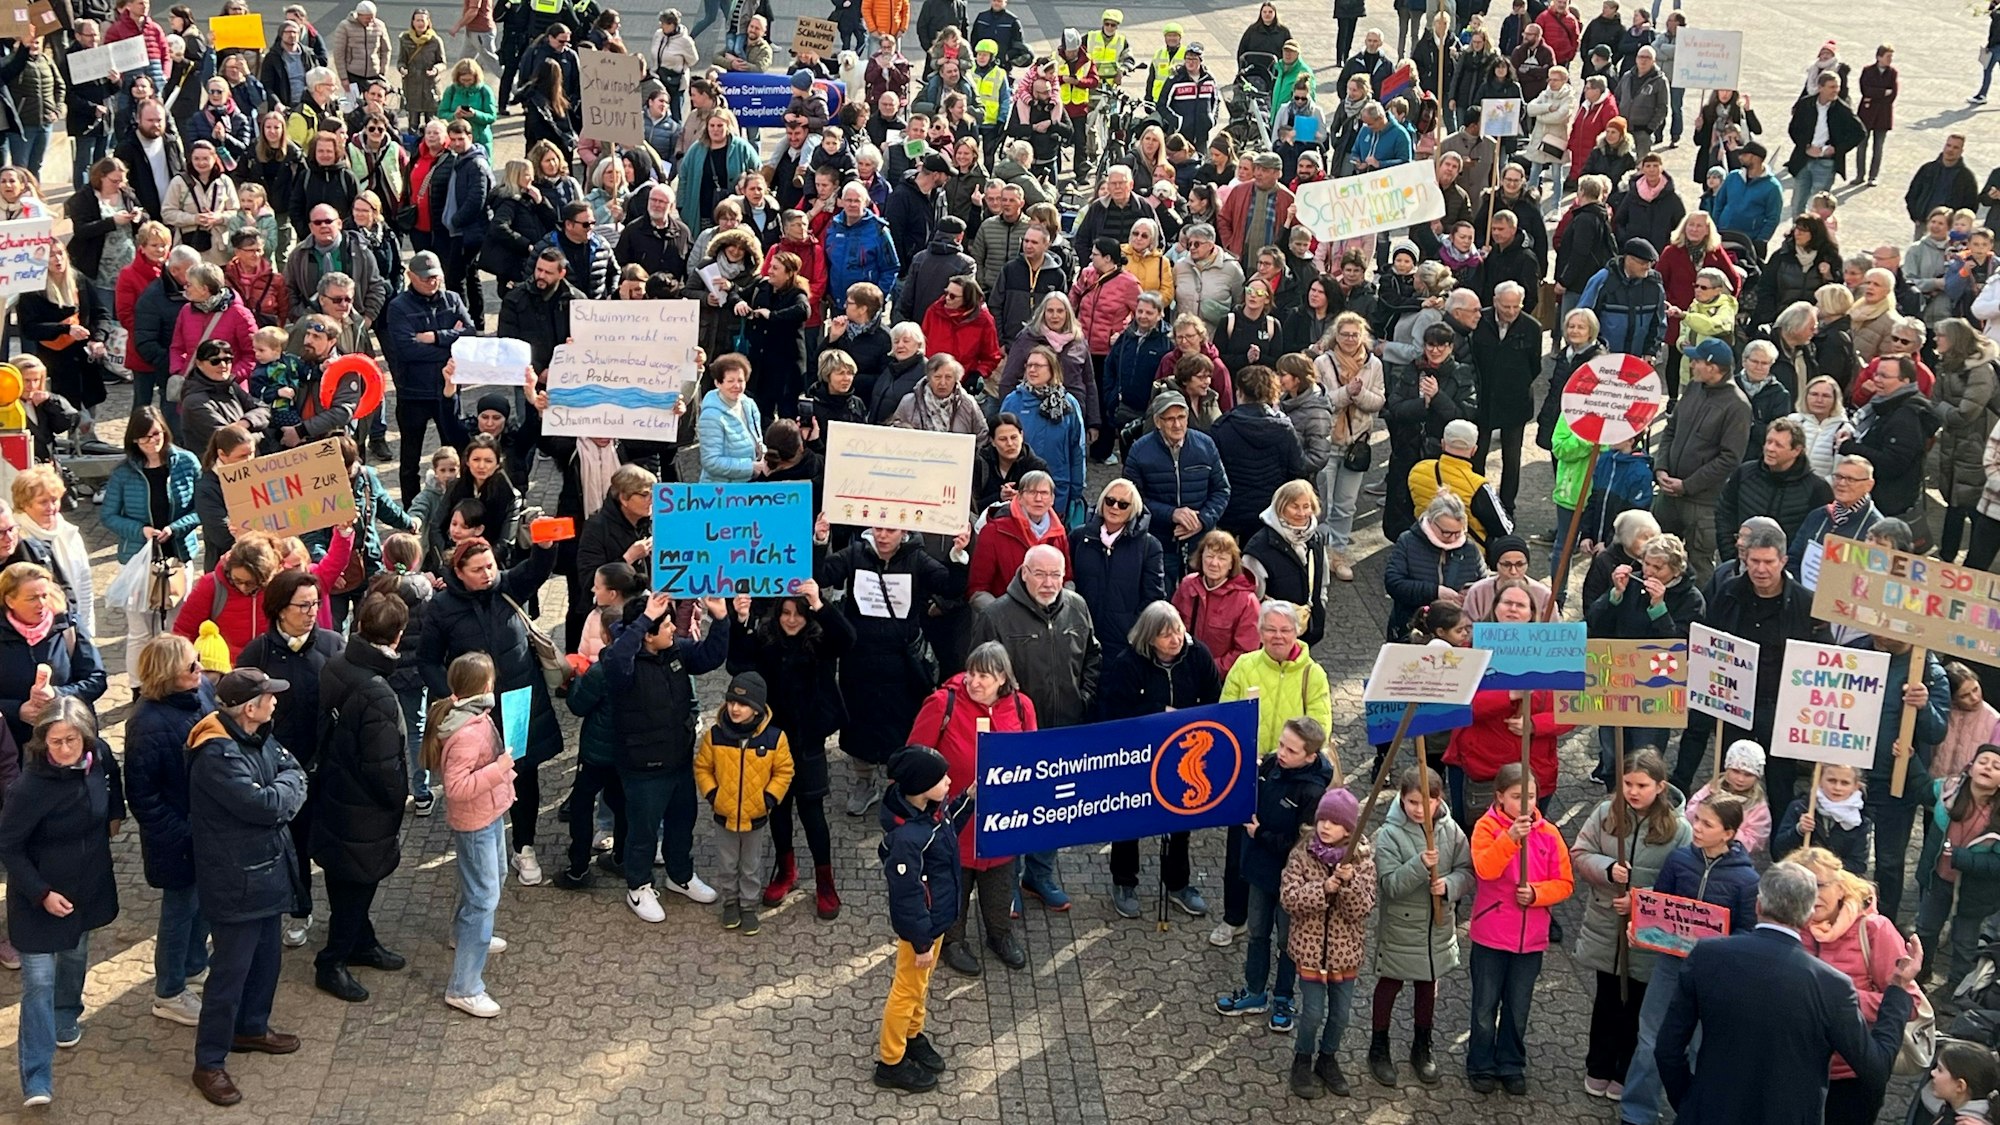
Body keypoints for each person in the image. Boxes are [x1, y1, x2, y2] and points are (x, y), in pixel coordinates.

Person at [1654, 861, 1920, 1125]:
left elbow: (1668, 1049)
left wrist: (1689, 1102)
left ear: (1758, 905)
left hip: (1709, 1112)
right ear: (1806, 916)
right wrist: (1897, 989)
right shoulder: (1832, 986)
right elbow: (1875, 1068)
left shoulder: (1707, 955)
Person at [186, 669, 310, 1107]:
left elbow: (291, 771)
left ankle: (251, 1028)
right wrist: (285, 791)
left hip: (267, 872)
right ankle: (209, 1062)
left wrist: (284, 788)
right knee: (229, 976)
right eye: (268, 697)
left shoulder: (257, 735)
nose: (275, 702)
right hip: (235, 881)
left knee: (266, 961)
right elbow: (266, 804)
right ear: (248, 708)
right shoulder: (217, 755)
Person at [1617, 791, 1764, 1125]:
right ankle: (1637, 1111)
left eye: (1707, 824)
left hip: (1714, 977)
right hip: (1671, 967)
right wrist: (1641, 929)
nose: (1696, 828)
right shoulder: (1679, 860)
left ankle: (1692, 1112)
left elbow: (1747, 932)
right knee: (1650, 1038)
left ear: (1729, 833)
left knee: (1700, 1048)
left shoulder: (1747, 880)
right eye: (1698, 820)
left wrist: (1718, 947)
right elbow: (1659, 903)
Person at [419, 537, 560, 887]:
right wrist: (452, 696)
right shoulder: (441, 607)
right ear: (459, 573)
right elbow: (427, 660)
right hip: (474, 714)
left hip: (518, 700)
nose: (487, 574)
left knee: (524, 774)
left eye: (491, 566)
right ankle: (486, 847)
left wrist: (543, 544)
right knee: (481, 779)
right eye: (478, 569)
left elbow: (541, 568)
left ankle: (523, 846)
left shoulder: (508, 585)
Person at [968, 543, 1100, 910]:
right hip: (1016, 736)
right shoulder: (996, 616)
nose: (1048, 582)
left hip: (1065, 731)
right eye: (1039, 574)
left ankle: (1039, 876)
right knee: (1013, 811)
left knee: (1054, 809)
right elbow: (978, 676)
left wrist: (1084, 698)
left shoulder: (1077, 607)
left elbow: (1093, 655)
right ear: (1024, 573)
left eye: (1055, 574)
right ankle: (1005, 884)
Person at [1571, 749, 1692, 1100]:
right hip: (1607, 928)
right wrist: (1608, 870)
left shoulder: (1679, 830)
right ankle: (1599, 1066)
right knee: (1607, 1000)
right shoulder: (1605, 813)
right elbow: (1580, 853)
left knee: (1638, 1006)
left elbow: (1680, 882)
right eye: (1627, 783)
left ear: (1660, 786)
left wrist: (1640, 899)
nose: (1633, 791)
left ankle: (1626, 1071)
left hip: (1647, 937)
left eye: (1642, 785)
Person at [307, 593, 408, 1004]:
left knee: (344, 879)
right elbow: (385, 766)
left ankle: (362, 942)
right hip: (363, 810)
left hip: (335, 793)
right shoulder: (378, 693)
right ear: (397, 637)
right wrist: (398, 797)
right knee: (358, 884)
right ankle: (332, 961)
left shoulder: (338, 662)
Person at [1215, 716, 1334, 1033]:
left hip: (1291, 879)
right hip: (1259, 871)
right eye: (1281, 744)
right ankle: (1255, 992)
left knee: (1287, 941)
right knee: (1256, 932)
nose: (1280, 753)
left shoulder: (1313, 792)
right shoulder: (1270, 765)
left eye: (1290, 750)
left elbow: (1301, 843)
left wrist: (1260, 834)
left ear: (1310, 756)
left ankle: (1283, 998)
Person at [1465, 760, 1574, 1096]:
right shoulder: (1485, 828)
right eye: (1516, 796)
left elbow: (1566, 883)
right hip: (1491, 935)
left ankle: (1511, 1063)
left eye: (1530, 796)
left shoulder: (1550, 834)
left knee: (1518, 1006)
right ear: (1499, 797)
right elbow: (1484, 869)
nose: (1525, 804)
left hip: (1531, 939)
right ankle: (1480, 1063)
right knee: (1485, 1007)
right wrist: (1510, 839)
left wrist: (1539, 894)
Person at [123, 635, 214, 1028]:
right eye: (191, 667)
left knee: (203, 903)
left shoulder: (200, 691)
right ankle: (169, 991)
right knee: (179, 911)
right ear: (166, 675)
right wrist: (184, 831)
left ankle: (194, 965)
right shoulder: (146, 723)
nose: (200, 671)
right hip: (178, 838)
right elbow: (142, 797)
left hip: (207, 827)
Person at [872, 744, 966, 1093]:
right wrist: (922, 941)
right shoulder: (907, 839)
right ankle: (891, 1062)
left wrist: (965, 801)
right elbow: (906, 897)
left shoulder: (929, 811)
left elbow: (948, 827)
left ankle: (912, 1034)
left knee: (919, 987)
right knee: (906, 991)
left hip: (935, 922)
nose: (949, 781)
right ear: (919, 786)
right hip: (921, 930)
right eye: (942, 778)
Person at [1277, 786, 1374, 1100]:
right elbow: (1290, 898)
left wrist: (1348, 886)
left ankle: (1328, 1059)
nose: (1325, 827)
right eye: (1322, 820)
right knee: (1313, 1013)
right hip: (1309, 951)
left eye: (1333, 822)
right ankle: (1302, 1058)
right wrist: (1324, 888)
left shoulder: (1363, 861)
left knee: (1341, 1015)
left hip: (1345, 954)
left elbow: (1362, 909)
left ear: (1349, 828)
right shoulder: (1301, 854)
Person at [1785, 72, 1864, 223]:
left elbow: (1860, 132)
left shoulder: (1842, 109)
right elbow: (1794, 129)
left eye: (1837, 87)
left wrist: (1837, 149)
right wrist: (1806, 146)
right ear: (1820, 87)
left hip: (1826, 163)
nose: (1836, 90)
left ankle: (1816, 236)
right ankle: (1797, 235)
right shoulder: (1806, 104)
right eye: (1831, 87)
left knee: (1819, 206)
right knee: (1797, 203)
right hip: (1804, 160)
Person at [1771, 763, 1870, 874]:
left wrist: (1821, 865)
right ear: (1819, 781)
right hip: (1800, 877)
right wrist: (1798, 831)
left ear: (1856, 786)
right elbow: (1779, 850)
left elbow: (1859, 865)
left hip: (1838, 880)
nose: (1837, 788)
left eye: (1845, 783)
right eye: (1831, 780)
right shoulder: (1800, 808)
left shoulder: (1860, 821)